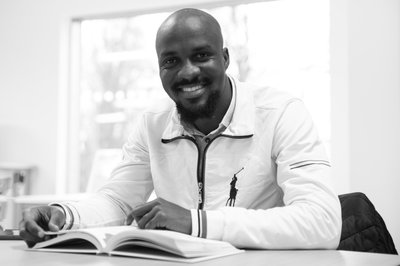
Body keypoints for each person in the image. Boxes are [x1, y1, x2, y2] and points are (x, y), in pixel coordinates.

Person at [19, 8, 342, 249]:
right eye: (171, 61)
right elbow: (119, 201)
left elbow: (322, 221)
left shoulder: (281, 113)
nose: (187, 72)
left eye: (201, 56)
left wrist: (195, 222)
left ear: (225, 58)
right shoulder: (152, 123)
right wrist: (63, 214)